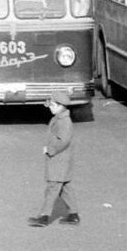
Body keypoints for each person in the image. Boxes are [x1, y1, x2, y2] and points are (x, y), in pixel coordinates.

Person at [28, 90, 80, 226]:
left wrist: (51, 150)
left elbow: (64, 140)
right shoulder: (60, 118)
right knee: (65, 188)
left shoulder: (63, 121)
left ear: (60, 106)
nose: (50, 107)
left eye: (52, 105)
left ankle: (44, 217)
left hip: (59, 160)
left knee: (52, 189)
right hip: (62, 160)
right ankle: (74, 215)